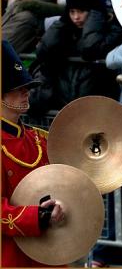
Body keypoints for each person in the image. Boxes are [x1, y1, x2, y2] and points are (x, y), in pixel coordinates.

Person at [1, 40, 65, 267]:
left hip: (49, 249)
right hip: (11, 254)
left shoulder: (39, 139)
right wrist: (34, 217)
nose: (26, 92)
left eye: (26, 87)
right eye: (18, 89)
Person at [28, 0, 122, 116]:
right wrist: (63, 21)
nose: (76, 17)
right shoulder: (66, 30)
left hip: (97, 106)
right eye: (71, 12)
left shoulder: (111, 29)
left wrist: (95, 19)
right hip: (66, 103)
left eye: (81, 11)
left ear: (93, 11)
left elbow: (90, 49)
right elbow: (43, 50)